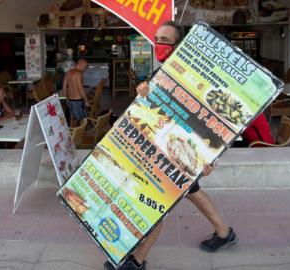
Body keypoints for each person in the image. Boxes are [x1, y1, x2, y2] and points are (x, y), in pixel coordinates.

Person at [104, 21, 237, 270]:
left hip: (180, 154)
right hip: (164, 147)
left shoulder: (195, 77)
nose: (158, 44)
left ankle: (136, 261)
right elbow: (154, 111)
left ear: (179, 45)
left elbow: (212, 120)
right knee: (192, 193)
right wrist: (144, 94)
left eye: (164, 39)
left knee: (157, 200)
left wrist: (210, 157)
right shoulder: (162, 73)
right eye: (156, 38)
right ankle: (223, 232)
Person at [63, 59, 89, 125]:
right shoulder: (79, 74)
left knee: (73, 118)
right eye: (85, 67)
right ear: (81, 64)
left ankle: (73, 132)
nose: (85, 69)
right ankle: (81, 133)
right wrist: (86, 100)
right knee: (82, 120)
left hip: (70, 100)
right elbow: (81, 89)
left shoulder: (68, 73)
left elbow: (64, 87)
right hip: (78, 101)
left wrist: (67, 98)